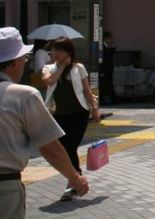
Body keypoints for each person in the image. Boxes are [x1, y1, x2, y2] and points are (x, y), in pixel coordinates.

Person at [0, 28, 89, 217]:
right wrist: (75, 179)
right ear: (15, 62)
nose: (25, 63)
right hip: (5, 187)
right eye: (24, 59)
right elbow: (48, 147)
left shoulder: (78, 68)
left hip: (77, 113)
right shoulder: (23, 95)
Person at [40, 38, 101, 201]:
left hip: (79, 113)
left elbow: (88, 91)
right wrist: (61, 67)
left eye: (59, 50)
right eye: (53, 50)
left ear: (68, 52)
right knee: (66, 148)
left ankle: (72, 182)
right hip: (59, 115)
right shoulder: (49, 68)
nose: (55, 53)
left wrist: (95, 109)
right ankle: (76, 178)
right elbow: (49, 81)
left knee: (70, 145)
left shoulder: (79, 68)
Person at [100, 32, 116, 105]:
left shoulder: (108, 47)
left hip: (109, 69)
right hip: (104, 69)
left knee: (108, 84)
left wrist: (113, 47)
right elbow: (103, 60)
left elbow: (111, 54)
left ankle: (109, 99)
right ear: (106, 38)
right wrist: (101, 71)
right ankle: (103, 99)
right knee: (104, 85)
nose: (111, 39)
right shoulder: (101, 47)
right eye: (110, 38)